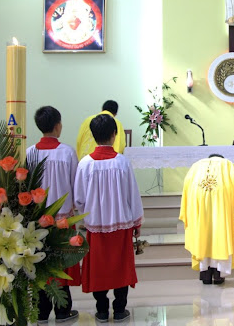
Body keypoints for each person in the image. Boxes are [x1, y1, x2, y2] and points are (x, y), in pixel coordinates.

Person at [74, 114, 143, 322]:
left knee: (99, 268)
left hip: (95, 225)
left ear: (93, 135)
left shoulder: (85, 164)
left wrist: (87, 216)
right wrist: (136, 221)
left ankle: (102, 310)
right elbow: (132, 195)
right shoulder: (122, 162)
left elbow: (79, 199)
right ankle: (120, 309)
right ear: (114, 134)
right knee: (121, 266)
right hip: (121, 224)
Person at [27, 106, 80, 323]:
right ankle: (62, 311)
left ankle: (41, 312)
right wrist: (76, 206)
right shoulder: (67, 152)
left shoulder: (30, 152)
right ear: (58, 126)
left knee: (40, 263)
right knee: (61, 263)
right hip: (63, 219)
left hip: (37, 220)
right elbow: (76, 184)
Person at [179, 154, 234, 285]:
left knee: (202, 232)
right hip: (221, 200)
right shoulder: (227, 164)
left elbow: (187, 186)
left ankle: (205, 274)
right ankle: (218, 274)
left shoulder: (196, 166)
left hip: (199, 200)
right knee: (220, 231)